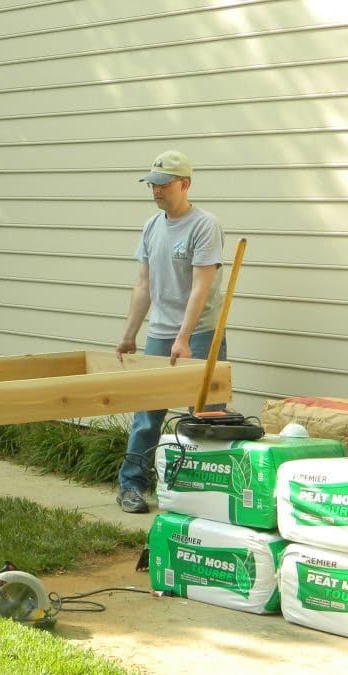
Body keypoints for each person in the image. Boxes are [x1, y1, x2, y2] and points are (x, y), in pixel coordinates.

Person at [115, 152, 226, 513]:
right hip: (160, 333)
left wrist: (184, 337)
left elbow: (201, 287)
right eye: (153, 183)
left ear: (185, 184)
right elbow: (143, 285)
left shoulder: (204, 225)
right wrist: (130, 334)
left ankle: (207, 492)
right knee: (147, 414)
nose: (156, 190)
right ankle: (131, 486)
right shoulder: (151, 226)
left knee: (208, 417)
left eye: (164, 183)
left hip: (200, 334)